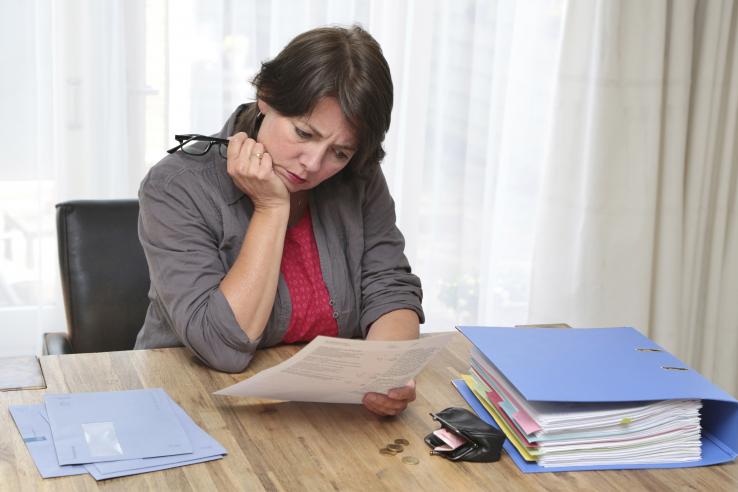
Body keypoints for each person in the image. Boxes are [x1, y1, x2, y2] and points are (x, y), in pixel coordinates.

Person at [134, 25, 424, 416]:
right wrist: (271, 207)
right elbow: (222, 346)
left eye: (339, 152)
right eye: (304, 133)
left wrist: (386, 370)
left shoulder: (358, 176)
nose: (313, 163)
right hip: (186, 405)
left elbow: (389, 288)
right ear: (266, 97)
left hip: (323, 414)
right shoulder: (175, 186)